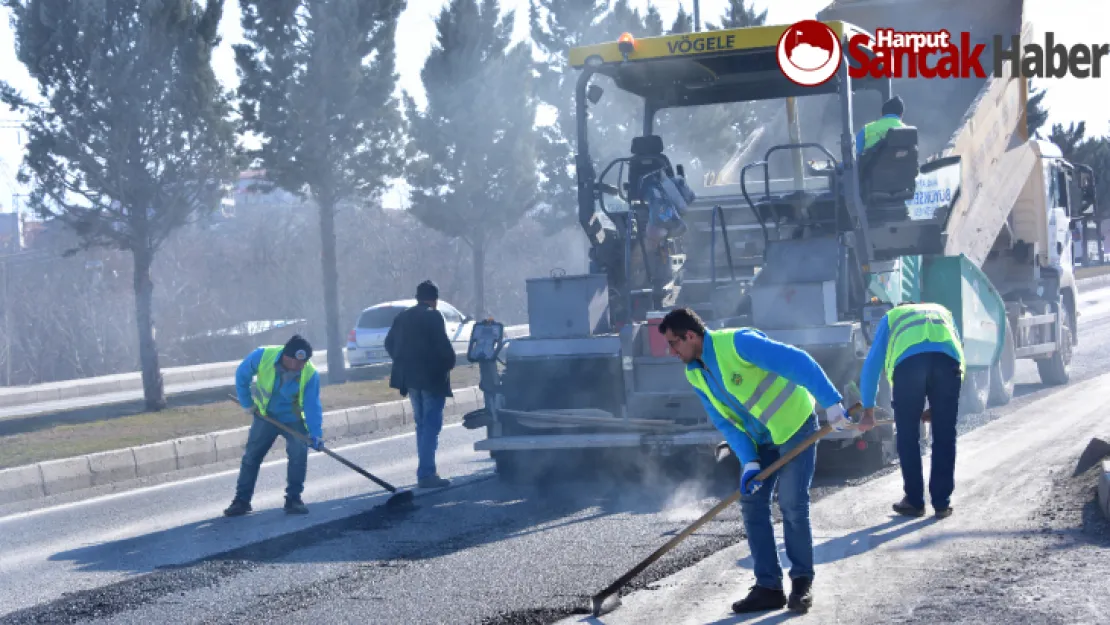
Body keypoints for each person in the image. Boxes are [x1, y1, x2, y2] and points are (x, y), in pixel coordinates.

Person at [658, 307, 852, 615]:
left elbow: (798, 362)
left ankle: (801, 583)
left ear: (690, 336)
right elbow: (725, 423)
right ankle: (768, 588)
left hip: (794, 426)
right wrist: (749, 462)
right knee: (752, 502)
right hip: (761, 440)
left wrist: (831, 403)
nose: (672, 351)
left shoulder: (738, 344)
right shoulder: (694, 372)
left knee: (791, 503)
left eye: (674, 343)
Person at [857, 302, 964, 519]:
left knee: (908, 435)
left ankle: (914, 501)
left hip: (909, 369)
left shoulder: (892, 316)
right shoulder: (943, 311)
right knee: (944, 435)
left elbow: (872, 364)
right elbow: (960, 351)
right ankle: (942, 503)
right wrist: (939, 406)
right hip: (948, 366)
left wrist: (868, 408)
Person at [224, 335, 324, 517]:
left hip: (293, 420)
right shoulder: (263, 355)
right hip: (265, 416)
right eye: (296, 363)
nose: (299, 367)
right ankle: (241, 501)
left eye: (303, 363)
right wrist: (247, 404)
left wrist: (315, 433)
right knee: (251, 458)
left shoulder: (310, 373)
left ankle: (293, 499)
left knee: (298, 456)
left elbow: (312, 405)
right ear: (286, 356)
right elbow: (242, 374)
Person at [385, 280, 457, 489]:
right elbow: (443, 347)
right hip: (432, 379)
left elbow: (389, 343)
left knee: (422, 425)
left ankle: (425, 470)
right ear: (434, 299)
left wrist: (402, 362)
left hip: (410, 380)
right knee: (431, 426)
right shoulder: (433, 316)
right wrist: (448, 364)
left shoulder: (403, 316)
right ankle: (426, 474)